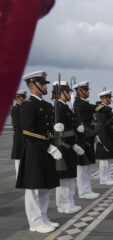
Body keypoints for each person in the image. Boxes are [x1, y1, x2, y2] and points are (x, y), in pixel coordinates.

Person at [16, 71, 61, 233]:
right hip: (35, 151)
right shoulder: (28, 106)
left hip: (46, 150)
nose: (44, 86)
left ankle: (42, 217)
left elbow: (48, 127)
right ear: (31, 86)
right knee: (33, 189)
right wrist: (48, 146)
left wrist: (57, 130)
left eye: (44, 84)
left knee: (45, 187)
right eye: (41, 84)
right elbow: (28, 132)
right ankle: (34, 222)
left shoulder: (48, 105)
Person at [52, 81, 85, 214]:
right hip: (63, 146)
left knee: (70, 177)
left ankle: (69, 202)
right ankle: (63, 204)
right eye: (67, 92)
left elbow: (72, 124)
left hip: (69, 146)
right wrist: (72, 144)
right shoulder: (58, 108)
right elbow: (59, 132)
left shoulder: (64, 107)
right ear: (60, 94)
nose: (70, 94)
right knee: (64, 178)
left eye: (70, 92)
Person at [73, 81, 106, 199]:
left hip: (88, 136)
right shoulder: (79, 103)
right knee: (83, 166)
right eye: (86, 90)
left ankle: (87, 189)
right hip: (82, 138)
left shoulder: (84, 103)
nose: (88, 92)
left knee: (88, 165)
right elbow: (93, 108)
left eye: (88, 90)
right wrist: (107, 108)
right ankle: (83, 191)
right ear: (79, 91)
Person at [95, 90, 113, 185]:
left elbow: (110, 121)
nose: (110, 99)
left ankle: (107, 176)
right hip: (104, 135)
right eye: (109, 98)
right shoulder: (101, 109)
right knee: (104, 159)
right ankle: (103, 178)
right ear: (104, 99)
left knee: (108, 158)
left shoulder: (107, 108)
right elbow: (105, 124)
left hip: (108, 135)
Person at [11, 90, 27, 178]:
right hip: (19, 136)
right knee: (18, 157)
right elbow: (18, 123)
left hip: (24, 135)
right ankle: (18, 176)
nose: (25, 99)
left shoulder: (24, 108)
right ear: (18, 98)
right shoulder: (15, 109)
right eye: (23, 97)